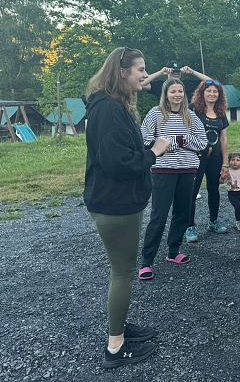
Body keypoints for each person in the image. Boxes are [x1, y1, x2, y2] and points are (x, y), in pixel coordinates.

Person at [84, 46, 169, 368]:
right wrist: (155, 151)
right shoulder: (109, 109)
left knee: (122, 271)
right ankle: (115, 347)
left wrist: (145, 148)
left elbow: (119, 151)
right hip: (115, 204)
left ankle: (118, 326)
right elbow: (118, 162)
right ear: (122, 72)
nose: (145, 75)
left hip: (117, 201)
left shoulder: (111, 105)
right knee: (123, 273)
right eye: (140, 69)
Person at [139, 78, 207, 281]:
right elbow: (144, 139)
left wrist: (180, 140)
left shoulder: (191, 116)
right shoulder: (155, 113)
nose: (177, 95)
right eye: (173, 91)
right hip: (163, 170)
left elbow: (202, 143)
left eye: (180, 91)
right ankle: (146, 262)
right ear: (166, 94)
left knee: (182, 212)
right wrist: (162, 145)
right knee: (158, 215)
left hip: (187, 169)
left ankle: (173, 250)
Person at [186, 79, 230, 242]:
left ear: (219, 94)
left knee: (214, 189)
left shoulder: (221, 112)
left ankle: (213, 221)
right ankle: (189, 226)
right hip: (196, 158)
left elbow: (223, 139)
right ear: (202, 93)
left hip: (215, 158)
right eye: (209, 91)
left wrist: (225, 163)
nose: (212, 94)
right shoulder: (193, 109)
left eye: (215, 91)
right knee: (192, 192)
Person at [142, 61, 209, 99]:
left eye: (177, 71)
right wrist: (160, 72)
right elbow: (141, 84)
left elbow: (211, 82)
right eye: (173, 71)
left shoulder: (188, 83)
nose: (176, 73)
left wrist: (193, 72)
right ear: (168, 71)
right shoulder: (160, 85)